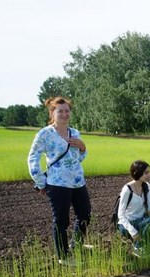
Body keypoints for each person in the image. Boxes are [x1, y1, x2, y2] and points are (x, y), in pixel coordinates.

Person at [28, 96, 91, 266]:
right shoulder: (45, 134)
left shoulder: (75, 132)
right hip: (57, 184)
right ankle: (64, 255)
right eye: (60, 111)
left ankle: (76, 244)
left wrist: (83, 146)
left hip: (78, 181)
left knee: (85, 214)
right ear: (52, 113)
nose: (64, 114)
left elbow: (79, 158)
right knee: (61, 220)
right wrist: (41, 182)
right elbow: (32, 158)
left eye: (67, 111)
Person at [117, 160, 150, 257]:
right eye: (146, 173)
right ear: (137, 173)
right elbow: (121, 215)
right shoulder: (127, 189)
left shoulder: (147, 186)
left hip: (141, 222)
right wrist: (133, 232)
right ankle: (138, 247)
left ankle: (148, 247)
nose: (149, 175)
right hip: (127, 225)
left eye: (149, 172)